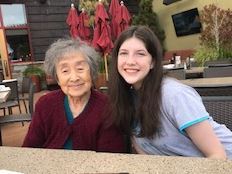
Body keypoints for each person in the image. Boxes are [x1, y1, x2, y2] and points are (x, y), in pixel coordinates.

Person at [108, 25, 232, 159]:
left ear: (153, 62)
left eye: (140, 54)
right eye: (124, 53)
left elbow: (217, 156)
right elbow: (146, 156)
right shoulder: (125, 97)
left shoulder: (175, 95)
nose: (130, 61)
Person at [22, 38, 125, 152]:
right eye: (65, 71)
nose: (74, 78)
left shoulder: (108, 107)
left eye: (80, 69)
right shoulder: (45, 104)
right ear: (57, 78)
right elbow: (29, 149)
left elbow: (110, 159)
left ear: (91, 72)